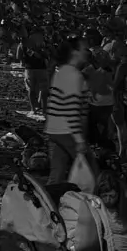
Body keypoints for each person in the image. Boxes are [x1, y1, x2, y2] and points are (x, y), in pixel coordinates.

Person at [44, 40, 90, 185]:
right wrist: (79, 139)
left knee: (56, 173)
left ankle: (49, 203)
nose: (86, 51)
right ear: (75, 53)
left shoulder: (60, 71)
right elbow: (71, 109)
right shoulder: (74, 75)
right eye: (83, 48)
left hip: (53, 128)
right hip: (67, 131)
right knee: (90, 172)